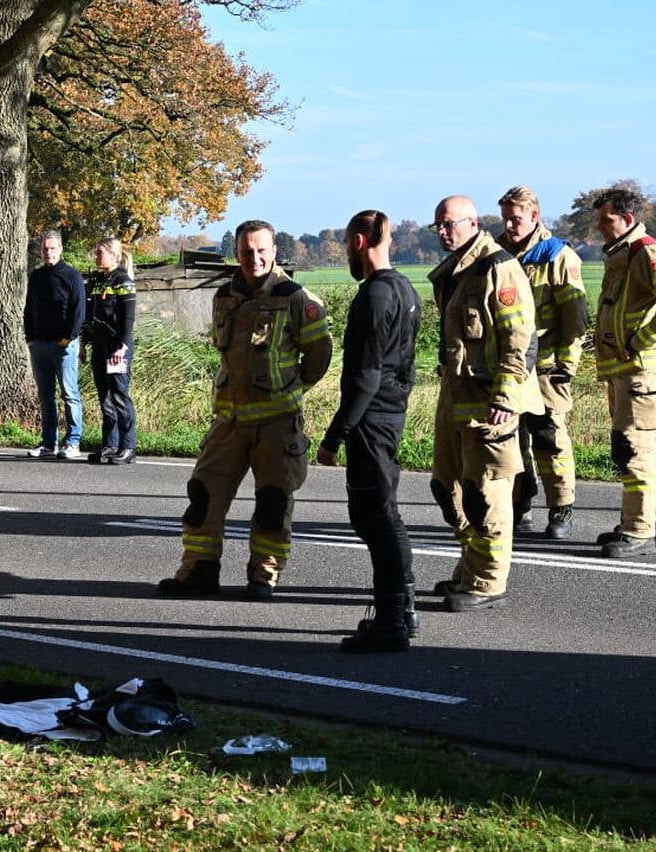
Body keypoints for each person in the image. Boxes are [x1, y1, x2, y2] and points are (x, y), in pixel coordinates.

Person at [157, 221, 331, 600]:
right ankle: (199, 569)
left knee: (273, 501)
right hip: (229, 422)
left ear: (274, 251)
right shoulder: (225, 296)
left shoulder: (298, 298)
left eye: (261, 250)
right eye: (246, 251)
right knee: (204, 494)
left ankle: (263, 574)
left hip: (276, 422)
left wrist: (290, 386)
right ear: (236, 253)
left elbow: (319, 356)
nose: (254, 257)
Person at [426, 195, 538, 611]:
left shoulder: (498, 268)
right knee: (448, 488)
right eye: (437, 224)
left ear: (473, 223)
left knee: (486, 493)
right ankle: (469, 567)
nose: (441, 231)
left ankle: (488, 582)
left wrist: (507, 398)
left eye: (448, 223)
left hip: (490, 404)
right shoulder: (456, 271)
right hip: (456, 399)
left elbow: (519, 342)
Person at [318, 210, 421, 652]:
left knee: (377, 516)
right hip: (388, 414)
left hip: (371, 421)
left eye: (345, 243)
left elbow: (366, 375)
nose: (345, 251)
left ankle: (392, 620)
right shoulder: (405, 288)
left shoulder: (375, 296)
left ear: (359, 241)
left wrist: (335, 435)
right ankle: (403, 609)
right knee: (378, 514)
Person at [591, 187, 656, 558]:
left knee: (635, 447)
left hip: (642, 368)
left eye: (606, 220)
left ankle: (640, 531)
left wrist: (644, 337)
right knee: (630, 446)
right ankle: (639, 522)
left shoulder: (647, 251)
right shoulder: (623, 254)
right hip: (624, 367)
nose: (599, 227)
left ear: (627, 220)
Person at [497, 185, 587, 539]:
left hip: (548, 364)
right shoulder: (498, 253)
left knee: (550, 437)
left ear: (535, 216)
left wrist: (568, 364)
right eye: (505, 218)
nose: (509, 225)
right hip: (513, 365)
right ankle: (521, 504)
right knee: (511, 438)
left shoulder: (558, 254)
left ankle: (561, 508)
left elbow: (576, 316)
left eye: (516, 219)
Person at [23, 230, 87, 460]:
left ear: (60, 249)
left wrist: (68, 338)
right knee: (46, 396)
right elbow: (29, 308)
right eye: (45, 248)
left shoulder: (72, 276)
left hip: (63, 346)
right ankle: (50, 442)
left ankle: (73, 441)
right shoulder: (37, 276)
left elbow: (78, 311)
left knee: (70, 393)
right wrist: (29, 337)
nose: (48, 252)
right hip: (39, 344)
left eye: (52, 248)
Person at [84, 237, 138, 465]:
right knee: (104, 396)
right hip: (99, 345)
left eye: (100, 253)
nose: (97, 257)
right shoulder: (97, 281)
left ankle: (128, 446)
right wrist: (85, 343)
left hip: (117, 347)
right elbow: (91, 316)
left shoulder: (123, 280)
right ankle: (109, 444)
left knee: (119, 394)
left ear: (114, 256)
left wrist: (122, 346)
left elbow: (128, 318)